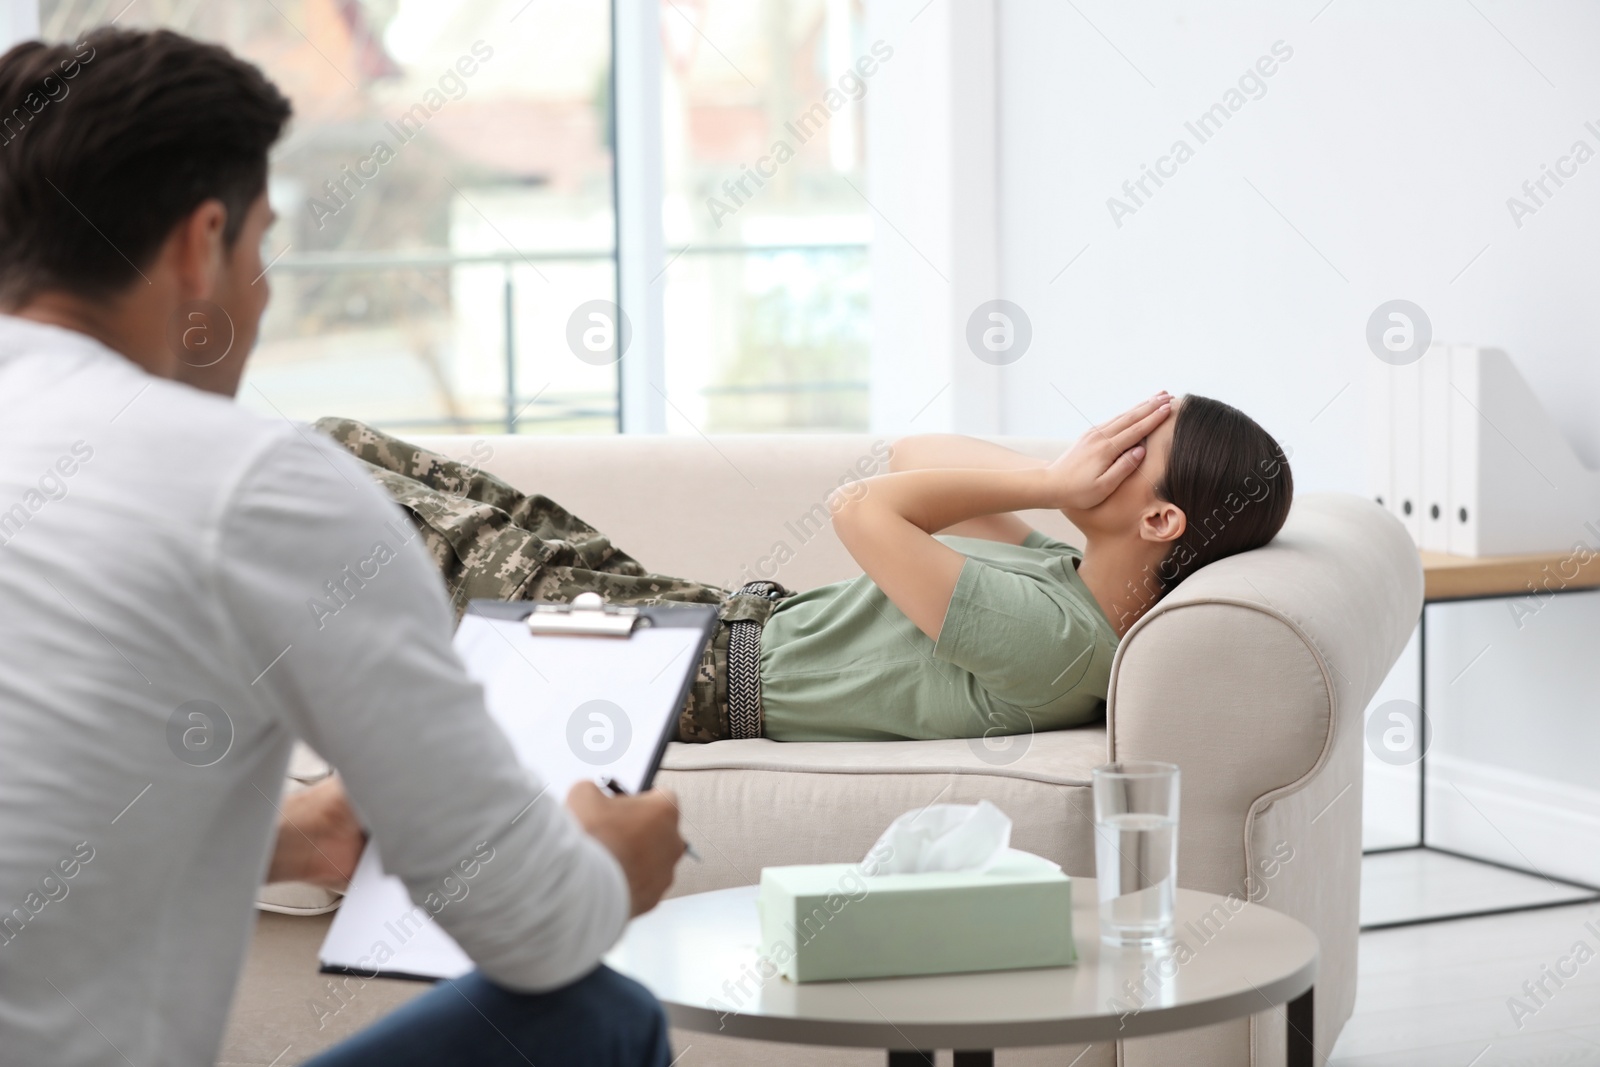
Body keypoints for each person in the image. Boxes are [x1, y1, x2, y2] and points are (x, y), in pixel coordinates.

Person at [0, 27, 683, 1067]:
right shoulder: (249, 481)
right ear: (201, 241)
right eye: (263, 245)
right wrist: (609, 865)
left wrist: (291, 836)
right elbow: (536, 928)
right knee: (597, 1010)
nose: (263, 291)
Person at [301, 389, 1292, 746]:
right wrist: (1062, 486)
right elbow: (912, 457)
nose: (1094, 442)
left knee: (339, 485)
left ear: (1160, 515)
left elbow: (864, 508)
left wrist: (1044, 475)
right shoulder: (1062, 579)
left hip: (673, 672)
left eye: (1126, 443)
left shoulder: (1059, 642)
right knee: (344, 440)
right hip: (689, 618)